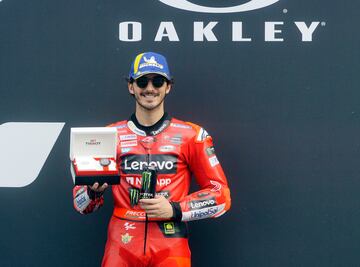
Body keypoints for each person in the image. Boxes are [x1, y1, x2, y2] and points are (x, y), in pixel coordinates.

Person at [73, 52, 231, 267]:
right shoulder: (109, 134)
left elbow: (221, 196)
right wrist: (93, 192)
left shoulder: (191, 135)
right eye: (142, 81)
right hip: (122, 243)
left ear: (168, 87)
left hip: (171, 243)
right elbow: (80, 205)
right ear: (131, 86)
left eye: (157, 81)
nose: (150, 88)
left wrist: (176, 209)